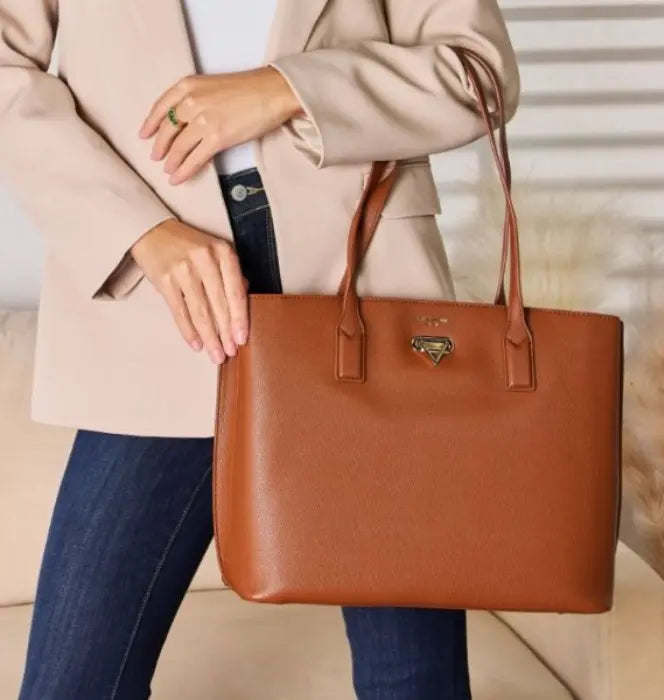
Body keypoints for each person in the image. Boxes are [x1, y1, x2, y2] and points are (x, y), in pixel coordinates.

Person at [0, 1, 519, 698]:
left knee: (413, 681)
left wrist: (285, 89)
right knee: (73, 682)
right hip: (167, 298)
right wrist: (139, 231)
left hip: (363, 284)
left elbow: (479, 70)